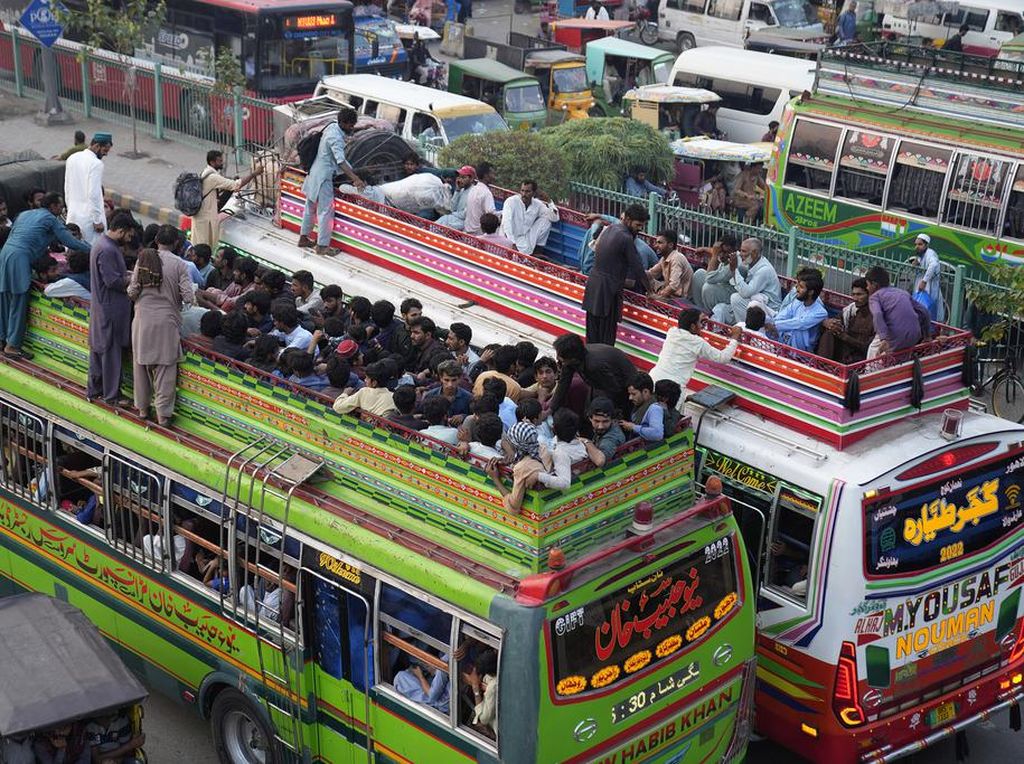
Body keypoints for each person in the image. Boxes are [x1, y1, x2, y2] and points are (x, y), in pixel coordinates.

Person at [0, 193, 90, 358]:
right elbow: (70, 242)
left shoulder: (25, 214)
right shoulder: (50, 219)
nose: (62, 209)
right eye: (60, 206)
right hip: (20, 257)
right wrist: (94, 250)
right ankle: (12, 346)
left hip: (6, 253)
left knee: (5, 298)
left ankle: (2, 339)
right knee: (19, 301)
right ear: (53, 206)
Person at [127, 247, 194, 425]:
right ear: (176, 244)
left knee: (140, 366)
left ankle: (142, 410)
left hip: (142, 321)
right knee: (165, 371)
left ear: (157, 241)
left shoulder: (143, 259)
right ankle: (163, 416)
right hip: (167, 323)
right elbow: (188, 297)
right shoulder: (180, 264)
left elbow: (132, 292)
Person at [298, 108, 366, 256]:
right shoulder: (336, 137)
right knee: (325, 211)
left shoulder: (332, 126)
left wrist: (352, 171)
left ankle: (304, 238)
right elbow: (340, 161)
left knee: (309, 206)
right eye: (350, 125)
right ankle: (322, 246)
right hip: (323, 177)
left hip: (314, 173)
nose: (352, 128)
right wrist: (356, 179)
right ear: (343, 122)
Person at [582, 203, 650, 346]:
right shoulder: (626, 238)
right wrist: (650, 290)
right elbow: (638, 267)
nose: (639, 229)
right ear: (628, 219)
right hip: (608, 291)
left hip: (594, 286)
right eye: (638, 225)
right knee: (606, 339)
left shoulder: (610, 229)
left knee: (592, 335)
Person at [87, 211, 136, 406]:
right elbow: (112, 280)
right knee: (110, 354)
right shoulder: (108, 249)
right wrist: (133, 279)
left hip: (104, 308)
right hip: (111, 311)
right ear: (122, 231)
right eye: (129, 235)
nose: (130, 239)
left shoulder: (103, 244)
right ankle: (112, 395)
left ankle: (95, 390)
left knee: (100, 352)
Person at [650, 308, 742, 398]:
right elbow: (723, 358)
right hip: (673, 390)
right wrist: (734, 338)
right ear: (693, 326)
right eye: (701, 322)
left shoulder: (672, 331)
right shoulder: (698, 343)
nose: (703, 325)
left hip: (653, 379)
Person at [550, 333, 637, 416]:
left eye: (560, 357)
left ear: (573, 359)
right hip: (602, 384)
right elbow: (563, 383)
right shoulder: (570, 360)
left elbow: (613, 390)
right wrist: (551, 409)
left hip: (625, 387)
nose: (557, 358)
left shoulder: (594, 365)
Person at [192, 149, 262, 248]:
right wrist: (254, 173)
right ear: (212, 162)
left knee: (200, 243)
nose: (222, 163)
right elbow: (236, 185)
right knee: (204, 247)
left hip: (202, 215)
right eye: (219, 161)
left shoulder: (205, 172)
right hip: (205, 218)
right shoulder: (212, 177)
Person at [865, 266, 931, 359]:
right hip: (915, 335)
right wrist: (927, 336)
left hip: (896, 337)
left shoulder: (875, 297)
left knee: (874, 349)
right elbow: (924, 311)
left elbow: (877, 314)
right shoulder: (902, 292)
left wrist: (883, 338)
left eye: (868, 285)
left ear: (874, 285)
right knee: (901, 357)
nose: (867, 288)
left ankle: (869, 373)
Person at [713, 237, 780, 325]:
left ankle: (744, 331)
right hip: (752, 303)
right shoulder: (750, 263)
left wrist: (734, 270)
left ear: (755, 253)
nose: (740, 254)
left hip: (768, 311)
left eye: (744, 251)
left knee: (736, 298)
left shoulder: (764, 270)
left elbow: (745, 293)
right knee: (720, 308)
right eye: (740, 250)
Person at [64, 132, 112, 245]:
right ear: (96, 146)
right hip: (89, 221)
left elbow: (67, 188)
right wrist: (97, 220)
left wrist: (69, 208)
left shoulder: (72, 158)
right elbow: (93, 193)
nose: (105, 154)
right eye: (105, 151)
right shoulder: (96, 164)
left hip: (73, 215)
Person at [765, 272, 827, 352]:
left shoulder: (821, 312)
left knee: (798, 330)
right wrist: (771, 324)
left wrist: (775, 325)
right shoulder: (797, 302)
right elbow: (782, 316)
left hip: (803, 351)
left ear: (811, 292)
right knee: (763, 317)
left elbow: (800, 323)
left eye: (801, 287)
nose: (797, 289)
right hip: (786, 339)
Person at [818, 277, 874, 363]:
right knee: (829, 332)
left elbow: (868, 348)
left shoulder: (876, 317)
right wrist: (827, 323)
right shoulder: (850, 310)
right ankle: (821, 365)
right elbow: (836, 321)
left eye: (859, 294)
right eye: (853, 294)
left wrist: (845, 337)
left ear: (869, 295)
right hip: (844, 352)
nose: (855, 298)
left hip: (858, 358)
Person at [500, 180, 559, 255]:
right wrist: (512, 244)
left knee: (546, 221)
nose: (524, 194)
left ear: (534, 193)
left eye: (528, 192)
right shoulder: (511, 202)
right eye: (522, 191)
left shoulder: (537, 204)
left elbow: (554, 218)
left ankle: (537, 254)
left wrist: (549, 201)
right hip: (508, 240)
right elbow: (506, 225)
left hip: (524, 240)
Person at [690, 234, 739, 314]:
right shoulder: (725, 256)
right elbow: (718, 251)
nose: (722, 255)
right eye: (720, 252)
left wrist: (715, 255)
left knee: (708, 287)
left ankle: (710, 315)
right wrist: (705, 249)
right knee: (699, 274)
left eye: (726, 252)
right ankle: (700, 310)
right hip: (723, 287)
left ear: (734, 250)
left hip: (732, 296)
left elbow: (709, 279)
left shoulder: (735, 262)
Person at [333, 361, 397, 416]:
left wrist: (345, 393)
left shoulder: (364, 392)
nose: (365, 380)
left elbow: (338, 407)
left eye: (367, 378)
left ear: (374, 382)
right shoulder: (393, 397)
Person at [646, 229, 693, 303]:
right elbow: (651, 273)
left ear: (670, 245)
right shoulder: (664, 258)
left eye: (660, 243)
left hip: (679, 299)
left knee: (650, 298)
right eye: (656, 242)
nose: (656, 246)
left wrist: (658, 295)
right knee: (645, 276)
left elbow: (673, 286)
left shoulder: (676, 258)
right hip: (669, 293)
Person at [621, 372, 665, 442]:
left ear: (645, 391)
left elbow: (657, 434)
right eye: (629, 394)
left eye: (634, 394)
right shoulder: (640, 405)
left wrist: (633, 427)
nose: (630, 398)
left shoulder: (655, 408)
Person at [913, 233, 944, 321]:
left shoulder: (930, 253)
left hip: (930, 286)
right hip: (923, 287)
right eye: (916, 244)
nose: (917, 246)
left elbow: (933, 265)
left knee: (930, 309)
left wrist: (924, 281)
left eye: (920, 244)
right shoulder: (921, 254)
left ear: (926, 245)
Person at [463, 162, 496, 236]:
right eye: (492, 174)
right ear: (486, 176)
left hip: (467, 232)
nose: (494, 177)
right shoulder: (486, 193)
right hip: (479, 235)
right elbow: (491, 216)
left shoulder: (473, 189)